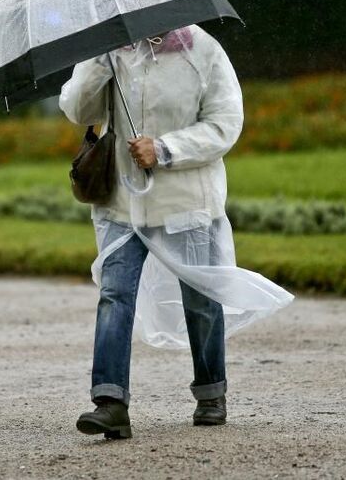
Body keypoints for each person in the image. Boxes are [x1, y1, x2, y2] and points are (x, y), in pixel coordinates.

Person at [59, 24, 276, 439]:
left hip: (186, 203)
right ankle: (110, 403)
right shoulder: (108, 49)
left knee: (200, 300)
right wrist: (97, 63)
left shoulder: (202, 51)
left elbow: (224, 124)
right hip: (122, 204)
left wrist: (164, 149)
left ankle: (211, 393)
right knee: (114, 294)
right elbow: (78, 111)